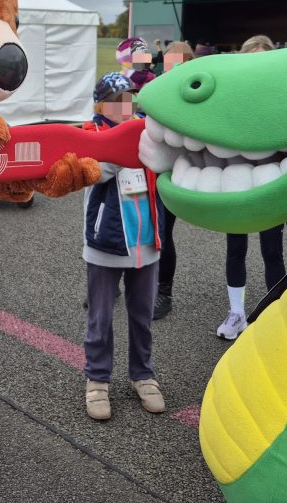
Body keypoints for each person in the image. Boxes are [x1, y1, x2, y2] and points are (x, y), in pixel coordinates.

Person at [81, 72, 166, 420]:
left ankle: (142, 375)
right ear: (101, 105)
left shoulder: (148, 132)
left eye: (129, 97)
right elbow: (89, 172)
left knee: (142, 317)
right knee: (100, 318)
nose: (126, 105)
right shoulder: (90, 132)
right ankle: (97, 380)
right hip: (105, 244)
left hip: (147, 242)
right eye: (117, 100)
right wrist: (121, 151)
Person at [217, 35, 286, 340]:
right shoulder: (230, 96)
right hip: (237, 183)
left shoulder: (280, 95)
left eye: (262, 58)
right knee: (236, 249)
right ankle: (237, 314)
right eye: (250, 58)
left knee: (272, 251)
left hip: (269, 183)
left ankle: (276, 314)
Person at [153, 40, 195, 319]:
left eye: (178, 63)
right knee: (136, 227)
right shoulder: (156, 90)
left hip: (173, 173)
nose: (172, 68)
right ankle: (118, 280)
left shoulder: (194, 98)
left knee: (163, 232)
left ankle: (164, 293)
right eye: (169, 63)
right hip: (147, 170)